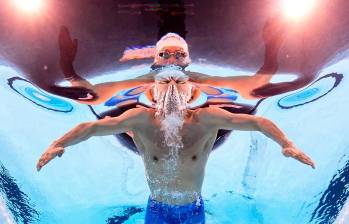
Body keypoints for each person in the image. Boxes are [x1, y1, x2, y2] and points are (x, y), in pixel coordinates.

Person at [37, 69, 315, 223]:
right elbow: (93, 127)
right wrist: (57, 144)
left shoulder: (208, 118)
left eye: (179, 81)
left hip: (193, 209)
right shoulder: (140, 119)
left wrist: (286, 144)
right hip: (157, 209)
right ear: (155, 90)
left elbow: (256, 122)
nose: (172, 86)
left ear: (189, 89)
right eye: (164, 81)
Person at [51, 16, 287, 104]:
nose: (172, 59)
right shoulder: (145, 81)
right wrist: (67, 64)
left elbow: (256, 83)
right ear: (155, 62)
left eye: (179, 54)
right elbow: (94, 95)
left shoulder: (199, 80)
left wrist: (272, 47)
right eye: (164, 54)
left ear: (188, 61)